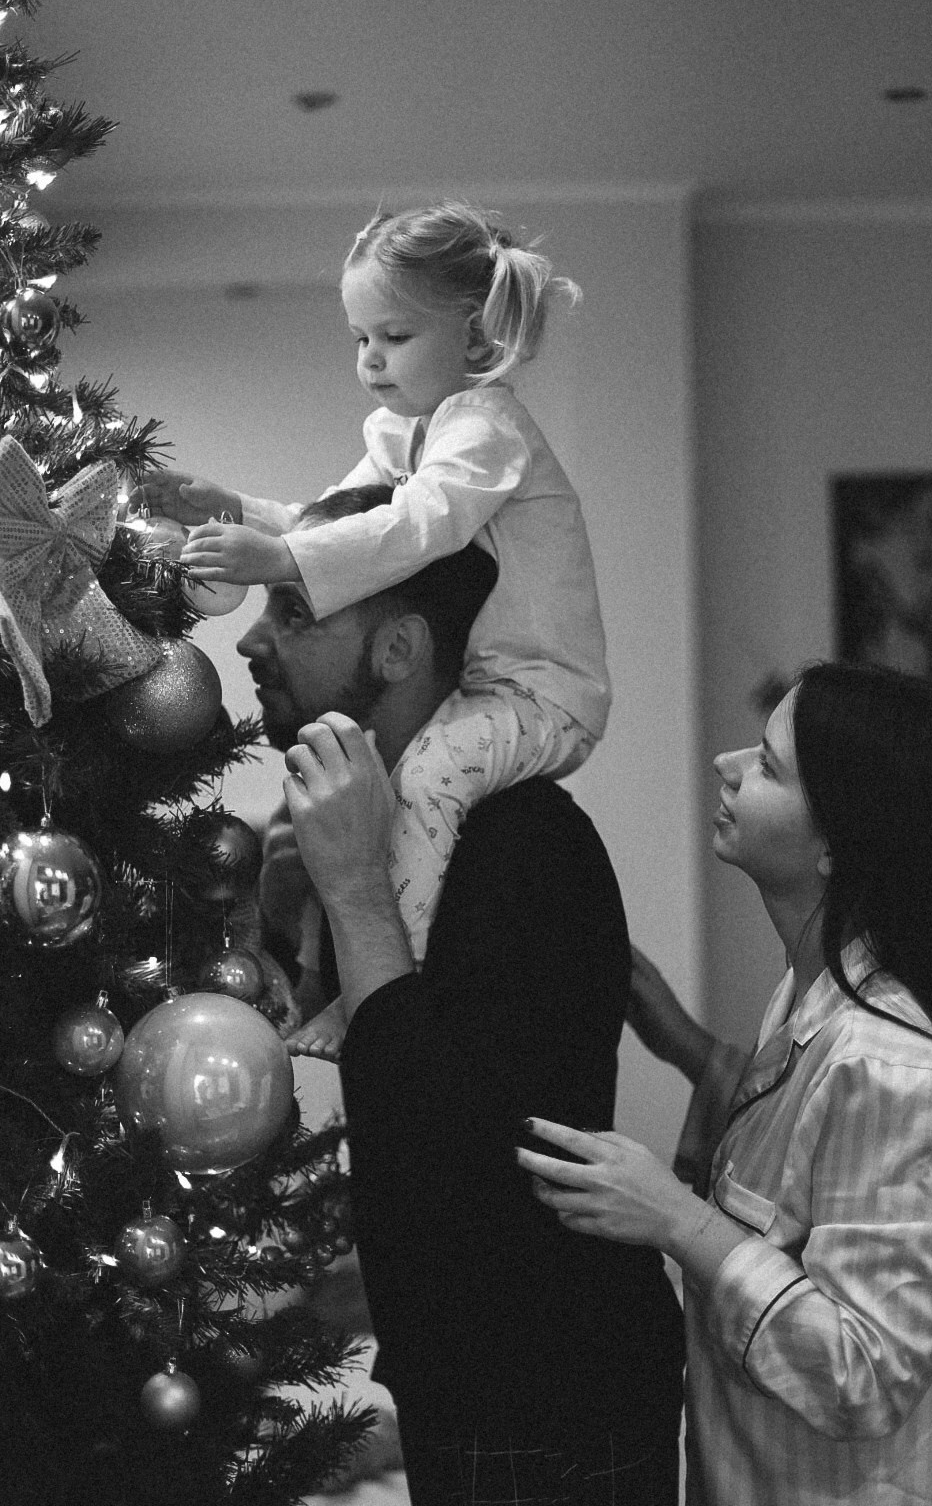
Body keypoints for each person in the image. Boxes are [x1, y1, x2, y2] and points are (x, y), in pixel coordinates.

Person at [516, 661, 932, 1506]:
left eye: (769, 766)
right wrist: (693, 1052)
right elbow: (810, 1177)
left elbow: (862, 1374)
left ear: (838, 845)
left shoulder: (896, 1072)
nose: (728, 765)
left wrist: (676, 1219)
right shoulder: (810, 997)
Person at [236, 485, 685, 1506]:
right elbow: (308, 1086)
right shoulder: (365, 833)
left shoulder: (526, 840)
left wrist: (356, 893)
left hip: (548, 1384)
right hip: (455, 1365)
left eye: (293, 614)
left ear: (397, 650)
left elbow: (451, 1135)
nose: (253, 641)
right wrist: (285, 922)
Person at [138, 200, 608, 964]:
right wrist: (235, 509)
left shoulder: (487, 429)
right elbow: (332, 520)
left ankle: (396, 975)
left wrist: (282, 560)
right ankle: (340, 968)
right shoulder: (408, 433)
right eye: (361, 338)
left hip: (543, 694)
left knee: (424, 778)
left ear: (476, 338)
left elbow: (418, 525)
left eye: (395, 336)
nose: (371, 359)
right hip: (486, 685)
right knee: (375, 788)